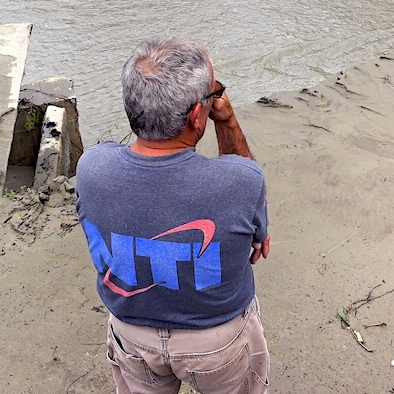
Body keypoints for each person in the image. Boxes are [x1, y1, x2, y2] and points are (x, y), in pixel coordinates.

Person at [76, 39, 271, 393]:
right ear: (198, 115)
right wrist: (226, 117)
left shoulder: (90, 168)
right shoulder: (241, 182)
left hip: (131, 333)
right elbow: (255, 223)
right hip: (216, 339)